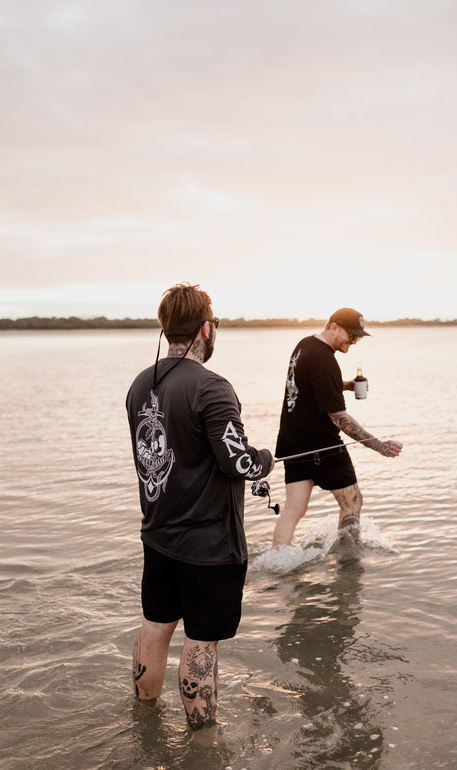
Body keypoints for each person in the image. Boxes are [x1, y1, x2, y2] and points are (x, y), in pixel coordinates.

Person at [126, 283, 274, 727]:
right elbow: (239, 463)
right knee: (201, 642)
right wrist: (265, 459)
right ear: (206, 329)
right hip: (209, 547)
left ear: (165, 327)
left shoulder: (140, 384)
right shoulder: (211, 386)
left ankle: (145, 720)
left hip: (157, 536)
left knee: (155, 626)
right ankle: (204, 743)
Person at [273, 307, 403, 548]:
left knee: (293, 509)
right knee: (352, 503)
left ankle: (276, 560)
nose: (354, 341)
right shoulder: (325, 359)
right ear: (334, 327)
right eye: (351, 335)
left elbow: (308, 385)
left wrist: (345, 385)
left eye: (358, 337)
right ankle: (348, 563)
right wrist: (380, 446)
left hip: (292, 443)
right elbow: (339, 418)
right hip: (322, 446)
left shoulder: (305, 345)